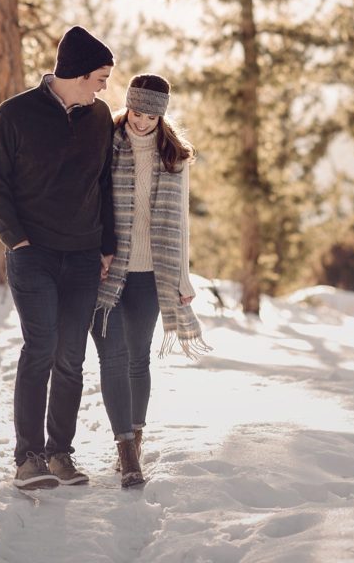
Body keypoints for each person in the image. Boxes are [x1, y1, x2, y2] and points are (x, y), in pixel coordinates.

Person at [0, 25, 116, 490]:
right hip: (32, 255)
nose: (104, 87)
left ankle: (60, 454)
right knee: (40, 349)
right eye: (100, 77)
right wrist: (16, 240)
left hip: (82, 257)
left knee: (71, 358)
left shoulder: (98, 118)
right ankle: (28, 459)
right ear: (77, 74)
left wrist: (106, 244)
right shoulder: (15, 114)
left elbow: (103, 185)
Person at [91, 73, 209, 488]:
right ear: (128, 105)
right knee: (112, 358)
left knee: (138, 360)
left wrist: (181, 277)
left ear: (163, 115)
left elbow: (180, 222)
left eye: (150, 115)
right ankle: (126, 453)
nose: (140, 122)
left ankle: (135, 440)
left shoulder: (173, 153)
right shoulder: (106, 141)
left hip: (149, 274)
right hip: (106, 271)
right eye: (136, 112)